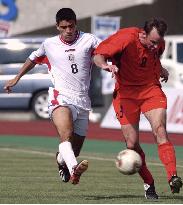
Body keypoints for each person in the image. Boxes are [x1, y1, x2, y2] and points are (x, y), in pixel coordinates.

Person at [4, 8, 101, 185]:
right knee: (66, 134)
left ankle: (61, 161)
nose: (68, 31)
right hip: (60, 96)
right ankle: (74, 170)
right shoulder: (49, 44)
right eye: (64, 27)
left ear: (75, 23)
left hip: (82, 100)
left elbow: (104, 51)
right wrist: (16, 78)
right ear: (57, 26)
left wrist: (110, 64)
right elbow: (32, 59)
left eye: (71, 26)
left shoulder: (89, 39)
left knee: (74, 149)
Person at [93, 17, 182, 199]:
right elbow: (98, 55)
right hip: (126, 95)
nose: (155, 46)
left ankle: (173, 176)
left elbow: (153, 58)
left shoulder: (158, 43)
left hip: (151, 90)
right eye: (152, 42)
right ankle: (149, 183)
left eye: (158, 42)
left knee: (160, 130)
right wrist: (104, 65)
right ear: (143, 34)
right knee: (132, 144)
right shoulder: (125, 38)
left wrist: (161, 69)